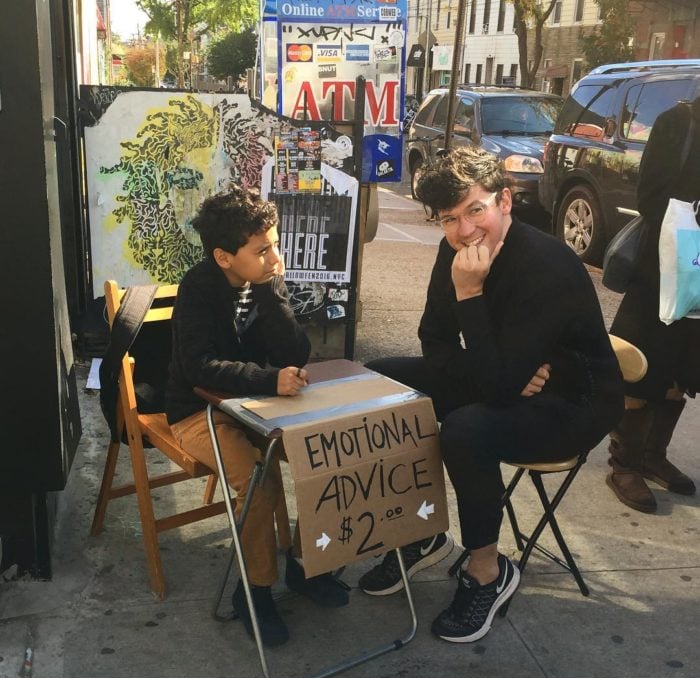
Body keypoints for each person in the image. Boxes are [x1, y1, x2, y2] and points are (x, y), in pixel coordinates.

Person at [359, 146, 624, 643]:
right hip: (503, 376)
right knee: (380, 380)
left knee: (466, 429)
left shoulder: (546, 265)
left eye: (475, 210)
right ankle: (421, 530)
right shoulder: (452, 252)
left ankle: (487, 569)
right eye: (448, 219)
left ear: (504, 201)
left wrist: (469, 295)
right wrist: (490, 371)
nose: (464, 232)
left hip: (574, 402)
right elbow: (433, 339)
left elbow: (498, 390)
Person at [165, 185, 349, 648]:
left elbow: (295, 352)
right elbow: (197, 367)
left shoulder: (267, 279)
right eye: (262, 249)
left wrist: (270, 294)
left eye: (275, 244)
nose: (275, 256)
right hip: (200, 410)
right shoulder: (200, 286)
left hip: (259, 408)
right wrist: (268, 380)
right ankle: (256, 592)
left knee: (326, 455)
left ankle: (305, 567)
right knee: (259, 484)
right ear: (224, 256)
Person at [607, 96, 700, 512]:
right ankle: (624, 464)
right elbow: (650, 198)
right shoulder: (677, 121)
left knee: (684, 371)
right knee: (641, 368)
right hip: (660, 273)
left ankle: (653, 456)